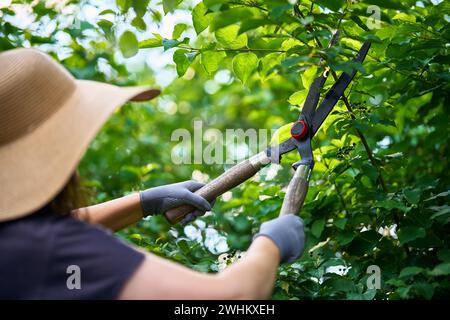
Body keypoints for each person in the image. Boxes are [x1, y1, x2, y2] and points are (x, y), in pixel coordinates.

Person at [0, 48, 305, 300]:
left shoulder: (20, 242)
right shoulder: (59, 250)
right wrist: (272, 242)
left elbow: (41, 234)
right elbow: (231, 299)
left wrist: (143, 202)